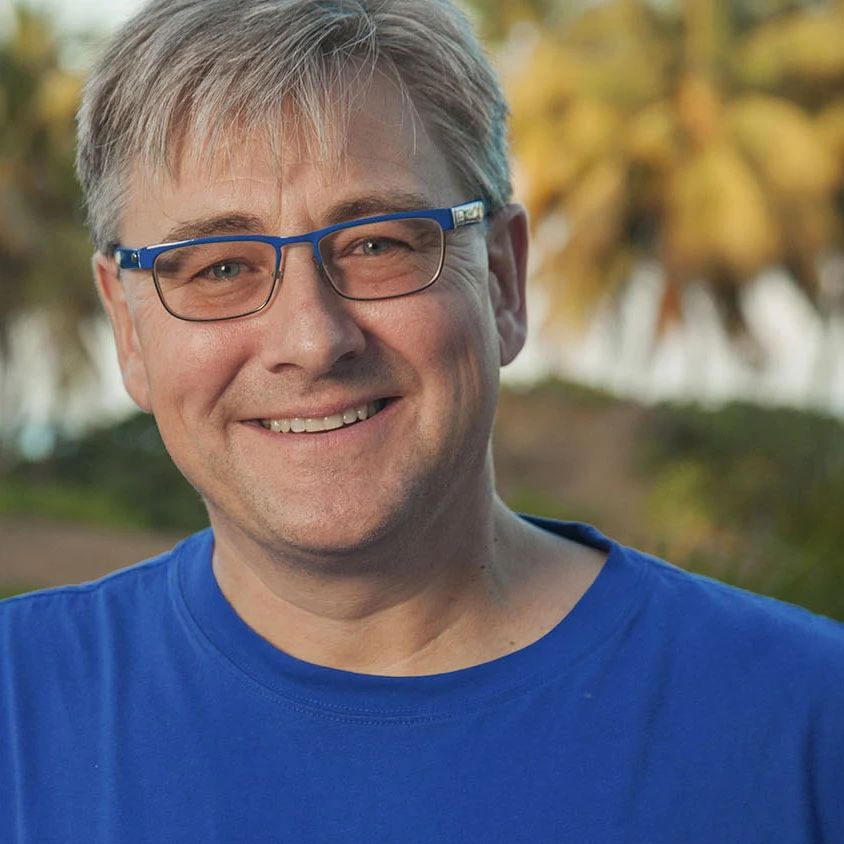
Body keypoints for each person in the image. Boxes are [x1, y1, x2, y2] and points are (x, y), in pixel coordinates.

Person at [1, 0, 842, 840]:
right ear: (127, 327)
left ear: (502, 279)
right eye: (220, 267)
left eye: (377, 245)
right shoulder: (17, 711)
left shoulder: (807, 723)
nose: (312, 340)